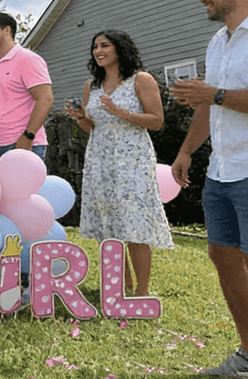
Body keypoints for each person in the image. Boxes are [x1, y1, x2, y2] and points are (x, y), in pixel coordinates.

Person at [170, 0, 248, 377]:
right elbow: (210, 101)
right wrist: (186, 151)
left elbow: (217, 96)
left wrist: (216, 94)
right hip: (222, 171)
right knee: (224, 260)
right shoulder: (219, 41)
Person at [66, 30, 172, 297]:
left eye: (105, 45)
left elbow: (157, 120)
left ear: (119, 49)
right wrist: (80, 116)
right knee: (109, 223)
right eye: (95, 46)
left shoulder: (141, 80)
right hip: (100, 158)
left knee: (134, 223)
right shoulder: (92, 85)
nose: (98, 50)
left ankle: (142, 291)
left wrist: (122, 113)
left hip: (132, 159)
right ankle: (119, 286)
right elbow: (91, 126)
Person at [0, 12, 54, 162]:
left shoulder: (28, 59)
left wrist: (29, 136)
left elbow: (45, 99)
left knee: (25, 187)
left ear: (7, 30)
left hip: (22, 144)